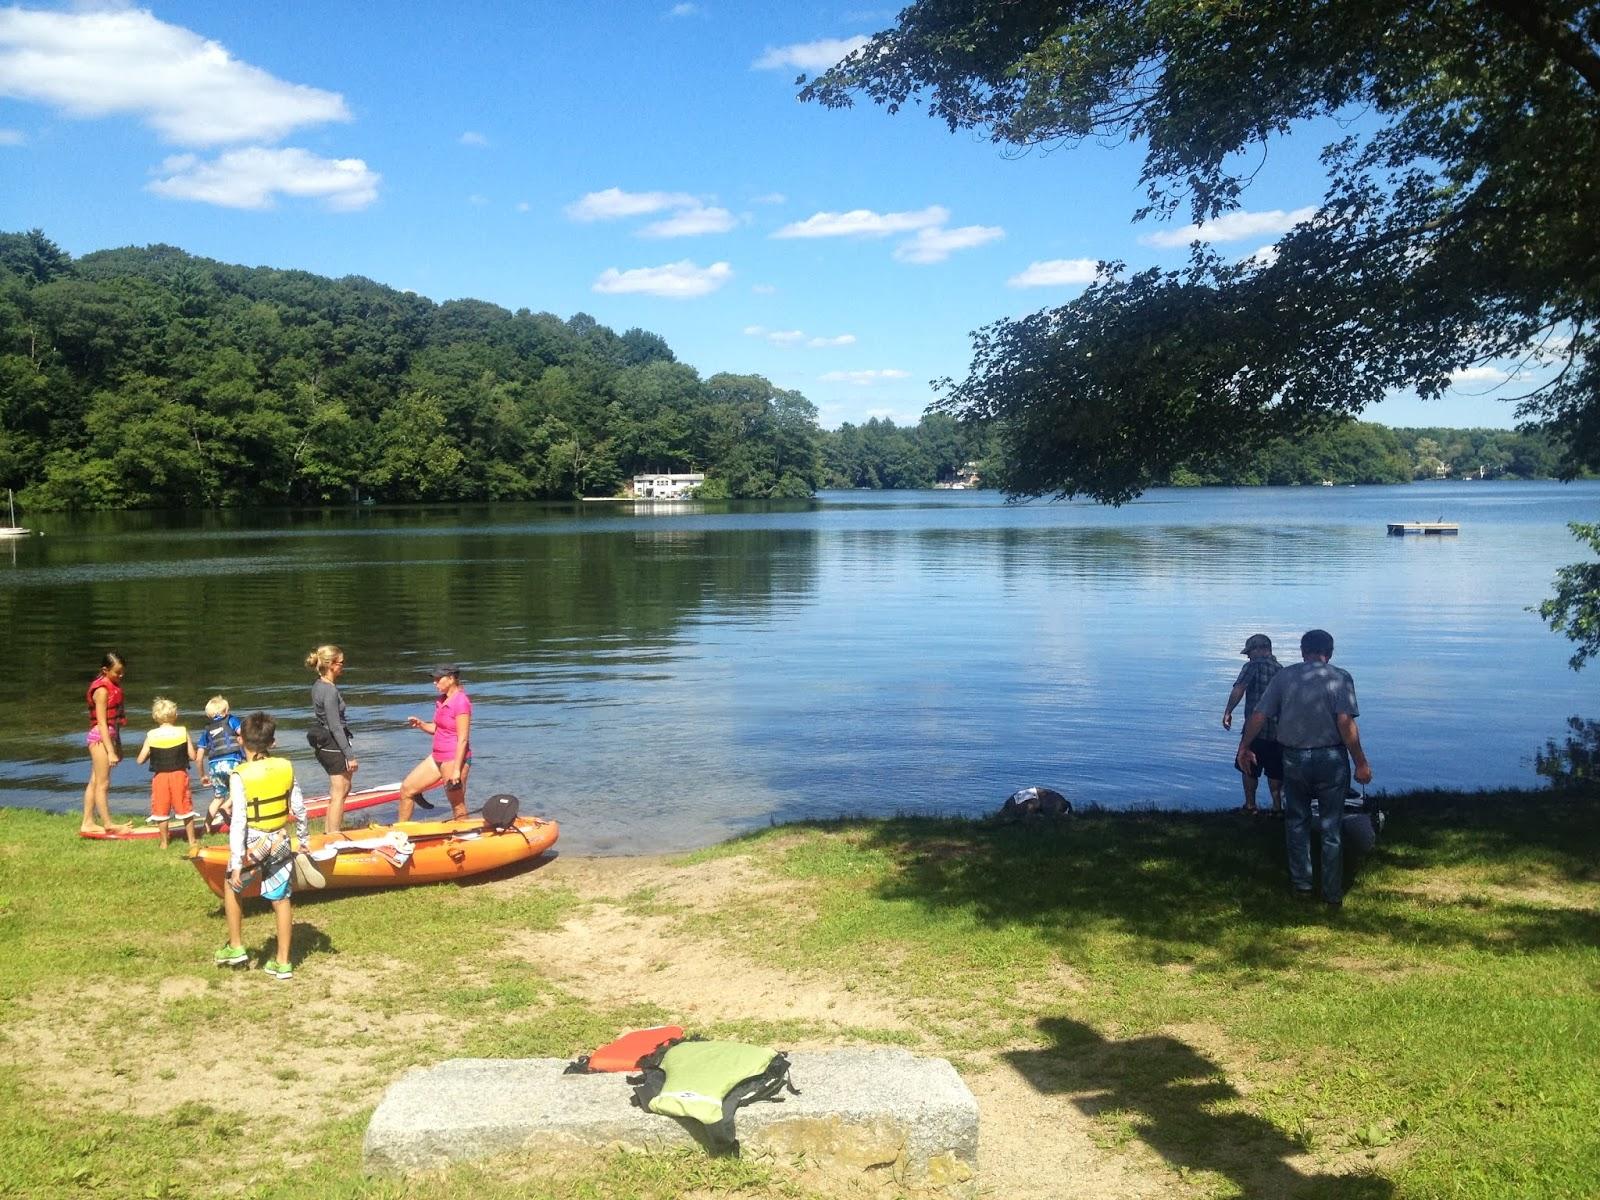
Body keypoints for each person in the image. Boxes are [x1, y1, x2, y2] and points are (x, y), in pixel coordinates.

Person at [1237, 629, 1374, 907]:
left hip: (1293, 758)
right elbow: (1345, 723)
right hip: (1331, 759)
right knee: (1331, 825)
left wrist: (1244, 746)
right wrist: (1360, 761)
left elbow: (1259, 715)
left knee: (1296, 822)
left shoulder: (1284, 677)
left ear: (1302, 651)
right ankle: (1332, 893)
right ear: (1330, 652)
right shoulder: (1340, 677)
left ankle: (1302, 886)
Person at [214, 711, 308, 979]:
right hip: (280, 840)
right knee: (281, 898)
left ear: (240, 739)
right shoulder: (286, 767)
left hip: (255, 842)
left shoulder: (240, 774)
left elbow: (239, 822)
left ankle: (236, 946)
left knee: (232, 886)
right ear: (273, 742)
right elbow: (299, 808)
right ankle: (283, 962)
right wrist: (303, 840)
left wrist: (235, 862)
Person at [1222, 633, 1284, 814]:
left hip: (1254, 729)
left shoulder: (1252, 666)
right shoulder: (1281, 670)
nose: (1248, 656)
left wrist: (1228, 711)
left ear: (1261, 649)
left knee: (1248, 765)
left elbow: (1239, 688)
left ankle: (1250, 806)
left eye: (1250, 651)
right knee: (1275, 771)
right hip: (1278, 731)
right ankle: (1277, 808)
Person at [399, 665, 471, 821]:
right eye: (434, 679)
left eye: (438, 679)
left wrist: (457, 770)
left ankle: (466, 837)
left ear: (451, 679)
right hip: (436, 757)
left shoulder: (461, 702)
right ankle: (399, 835)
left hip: (453, 759)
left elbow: (463, 738)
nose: (435, 683)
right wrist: (421, 724)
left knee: (457, 804)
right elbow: (437, 728)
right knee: (407, 789)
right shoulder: (441, 700)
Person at [306, 645, 357, 833]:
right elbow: (335, 725)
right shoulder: (329, 691)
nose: (343, 666)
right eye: (341, 663)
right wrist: (350, 755)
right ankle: (333, 837)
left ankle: (329, 831)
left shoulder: (318, 685)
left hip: (326, 740)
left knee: (343, 787)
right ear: (331, 665)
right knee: (339, 790)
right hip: (333, 743)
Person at [135, 697, 198, 849]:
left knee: (161, 809)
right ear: (175, 715)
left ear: (155, 717)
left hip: (160, 776)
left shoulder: (151, 735)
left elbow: (140, 759)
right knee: (185, 806)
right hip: (179, 774)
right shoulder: (182, 732)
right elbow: (193, 756)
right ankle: (192, 841)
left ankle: (164, 842)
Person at [81, 652, 132, 835]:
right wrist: (110, 751)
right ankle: (109, 824)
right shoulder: (101, 691)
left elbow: (115, 724)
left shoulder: (113, 687)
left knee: (95, 781)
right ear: (105, 670)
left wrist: (119, 746)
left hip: (108, 738)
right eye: (117, 672)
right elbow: (102, 723)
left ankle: (87, 822)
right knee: (103, 783)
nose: (121, 676)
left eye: (122, 672)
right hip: (99, 739)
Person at [195, 695, 245, 829]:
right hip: (232, 762)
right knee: (241, 791)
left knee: (218, 797)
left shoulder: (207, 730)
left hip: (214, 766)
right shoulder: (232, 720)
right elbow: (242, 734)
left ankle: (206, 827)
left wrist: (202, 776)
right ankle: (227, 806)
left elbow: (199, 757)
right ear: (226, 711)